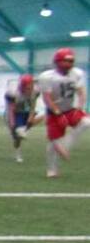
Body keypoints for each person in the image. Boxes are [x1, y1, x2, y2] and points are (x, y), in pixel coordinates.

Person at [39, 47, 88, 179]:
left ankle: (65, 144)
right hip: (54, 111)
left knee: (86, 122)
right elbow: (47, 98)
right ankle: (52, 169)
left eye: (71, 61)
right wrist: (57, 113)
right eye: (66, 61)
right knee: (53, 143)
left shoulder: (77, 73)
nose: (69, 64)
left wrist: (79, 108)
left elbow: (81, 92)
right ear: (57, 61)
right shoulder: (47, 77)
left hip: (70, 109)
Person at [4, 74, 43, 163]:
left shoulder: (35, 91)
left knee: (42, 115)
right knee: (17, 137)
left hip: (26, 110)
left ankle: (24, 130)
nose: (29, 89)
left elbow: (33, 105)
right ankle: (18, 152)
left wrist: (31, 117)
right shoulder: (13, 94)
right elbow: (11, 110)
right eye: (27, 88)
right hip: (15, 113)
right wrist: (12, 124)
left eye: (30, 87)